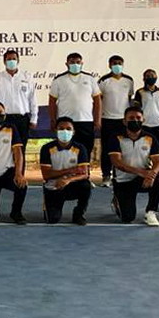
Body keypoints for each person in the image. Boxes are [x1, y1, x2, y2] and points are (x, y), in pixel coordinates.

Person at [106, 106, 159, 226]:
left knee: (158, 180)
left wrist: (152, 175)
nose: (135, 120)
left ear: (143, 120)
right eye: (131, 118)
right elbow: (117, 162)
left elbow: (158, 161)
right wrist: (142, 172)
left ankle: (151, 212)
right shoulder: (115, 138)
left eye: (138, 118)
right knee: (127, 218)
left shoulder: (150, 138)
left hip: (142, 179)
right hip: (122, 182)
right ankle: (117, 199)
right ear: (124, 121)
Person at [48, 53, 101, 183]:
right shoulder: (59, 80)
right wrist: (53, 120)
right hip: (65, 123)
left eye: (78, 62)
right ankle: (66, 176)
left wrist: (97, 119)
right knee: (66, 150)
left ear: (82, 63)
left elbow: (97, 100)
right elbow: (52, 101)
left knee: (86, 150)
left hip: (86, 121)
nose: (75, 64)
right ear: (66, 64)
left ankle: (85, 177)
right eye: (72, 62)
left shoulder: (90, 79)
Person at [40, 117, 92, 225]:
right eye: (61, 128)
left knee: (86, 185)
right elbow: (46, 175)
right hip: (54, 186)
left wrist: (68, 180)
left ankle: (79, 214)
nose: (65, 131)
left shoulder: (80, 148)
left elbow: (84, 174)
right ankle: (48, 203)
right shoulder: (46, 148)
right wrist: (71, 170)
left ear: (73, 132)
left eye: (68, 129)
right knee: (53, 220)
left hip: (72, 184)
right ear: (56, 131)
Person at [0, 49, 38, 149]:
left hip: (22, 119)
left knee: (21, 148)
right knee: (4, 149)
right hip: (2, 119)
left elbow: (32, 99)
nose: (11, 61)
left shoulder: (27, 77)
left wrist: (34, 118)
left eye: (14, 59)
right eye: (9, 59)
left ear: (18, 60)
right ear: (4, 62)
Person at [98, 55, 135, 187]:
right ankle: (106, 175)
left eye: (119, 63)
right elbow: (98, 100)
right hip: (107, 119)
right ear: (109, 65)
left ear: (123, 65)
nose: (117, 65)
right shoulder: (104, 81)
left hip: (123, 121)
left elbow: (129, 99)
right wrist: (98, 119)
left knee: (123, 148)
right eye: (114, 63)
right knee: (107, 148)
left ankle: (119, 174)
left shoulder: (129, 80)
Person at [132, 69, 159, 159]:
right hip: (145, 124)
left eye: (152, 75)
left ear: (156, 77)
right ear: (144, 79)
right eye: (148, 76)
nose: (150, 78)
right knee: (145, 148)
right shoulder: (140, 92)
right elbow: (137, 108)